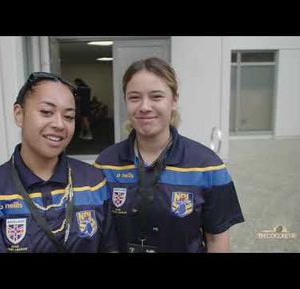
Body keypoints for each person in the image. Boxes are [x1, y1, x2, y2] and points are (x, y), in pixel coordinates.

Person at [94, 57, 244, 253]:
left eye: (156, 96)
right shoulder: (105, 164)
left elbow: (216, 239)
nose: (145, 107)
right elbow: (100, 236)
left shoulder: (208, 166)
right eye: (134, 97)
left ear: (174, 101)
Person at [0, 72, 117, 253]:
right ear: (19, 114)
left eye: (68, 116)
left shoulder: (93, 181)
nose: (59, 124)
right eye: (46, 112)